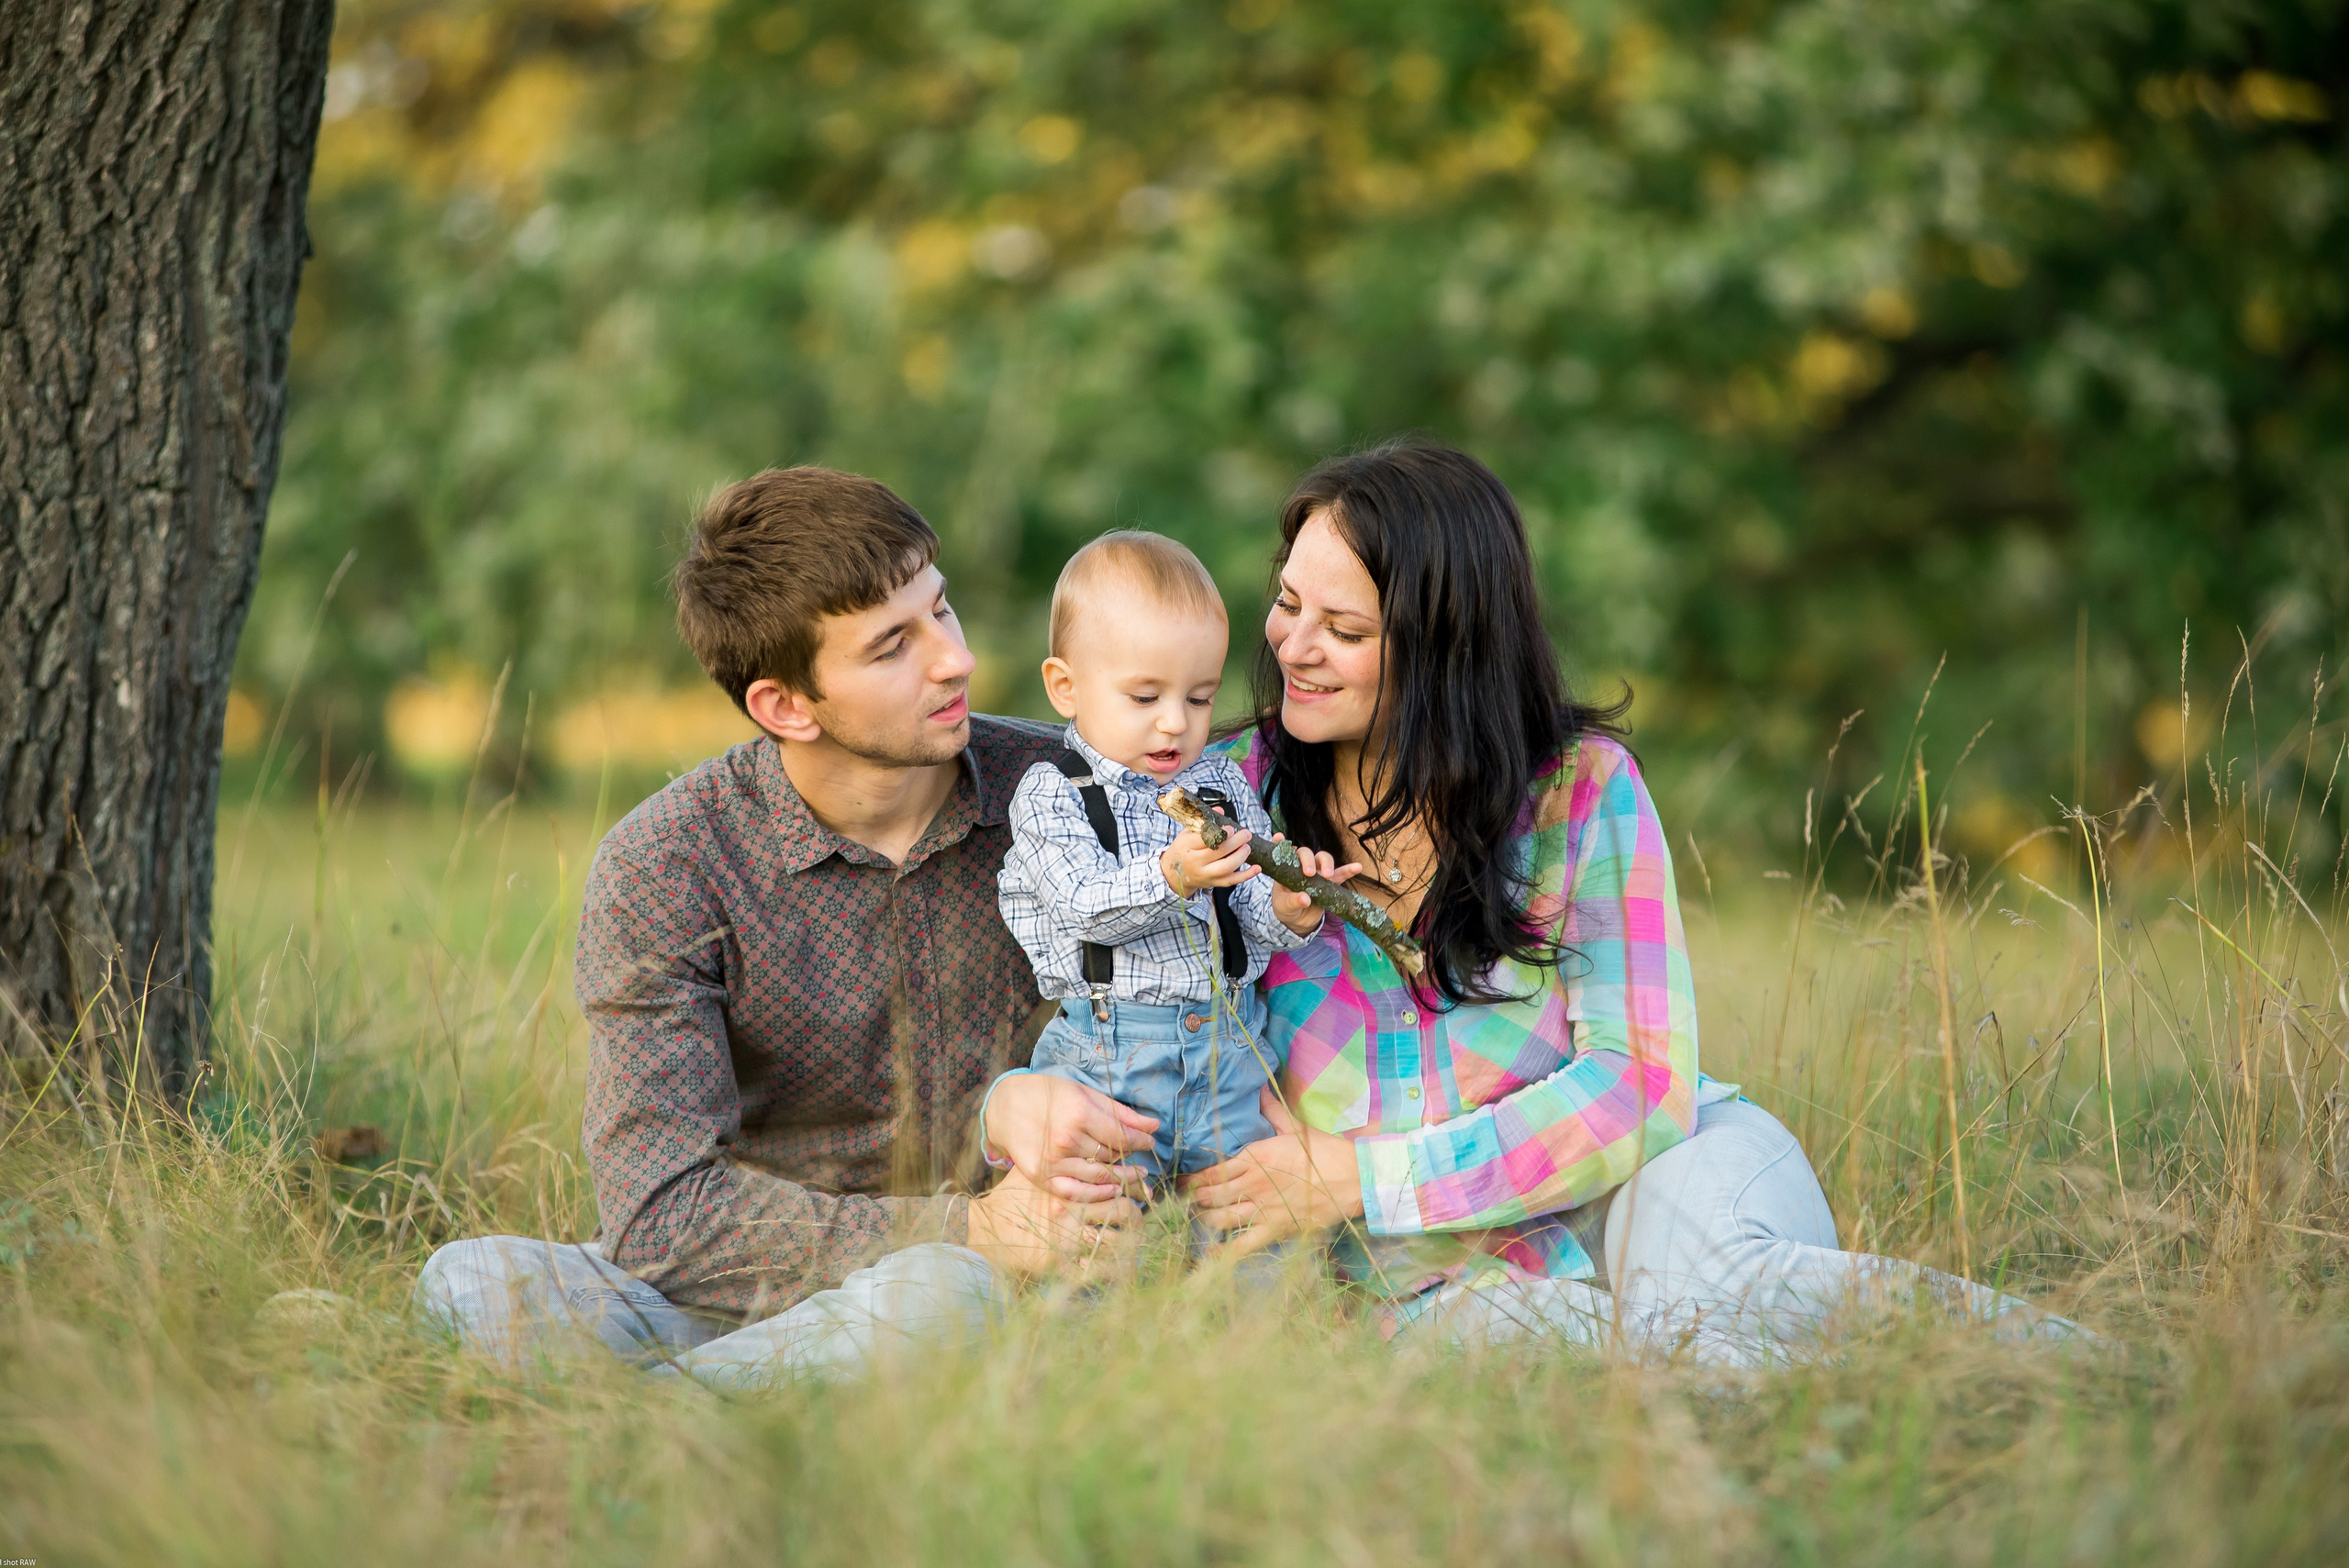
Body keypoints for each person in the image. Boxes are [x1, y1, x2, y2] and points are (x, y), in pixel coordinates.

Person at [1140, 441, 2081, 1365]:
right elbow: (1115, 1001)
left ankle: (2092, 1366)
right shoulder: (1220, 807)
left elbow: (1639, 1084)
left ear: (1444, 644)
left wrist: (1370, 1179)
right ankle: (1881, 1386)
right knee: (1621, 1358)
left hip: (1651, 1184)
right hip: (1429, 1292)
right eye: (1287, 603)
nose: (1293, 646)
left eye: (1344, 630)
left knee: (1718, 1289)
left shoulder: (1578, 792)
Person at [414, 466, 1163, 1387]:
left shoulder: (1076, 793)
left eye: (941, 608)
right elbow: (660, 1215)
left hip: (988, 1287)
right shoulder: (666, 862)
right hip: (746, 1287)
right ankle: (736, 1388)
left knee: (941, 1298)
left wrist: (995, 1237)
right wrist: (968, 1225)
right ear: (784, 705)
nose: (953, 659)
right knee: (471, 1281)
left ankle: (659, 1412)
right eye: (891, 646)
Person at [996, 531, 1355, 1188]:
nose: (1174, 723)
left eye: (1198, 698)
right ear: (1065, 686)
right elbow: (1082, 906)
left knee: (1250, 1213)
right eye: (1145, 698)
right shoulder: (1054, 793)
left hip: (1229, 1052)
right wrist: (1173, 876)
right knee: (1099, 1218)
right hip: (1109, 1058)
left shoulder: (1219, 784)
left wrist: (1287, 909)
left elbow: (1247, 907)